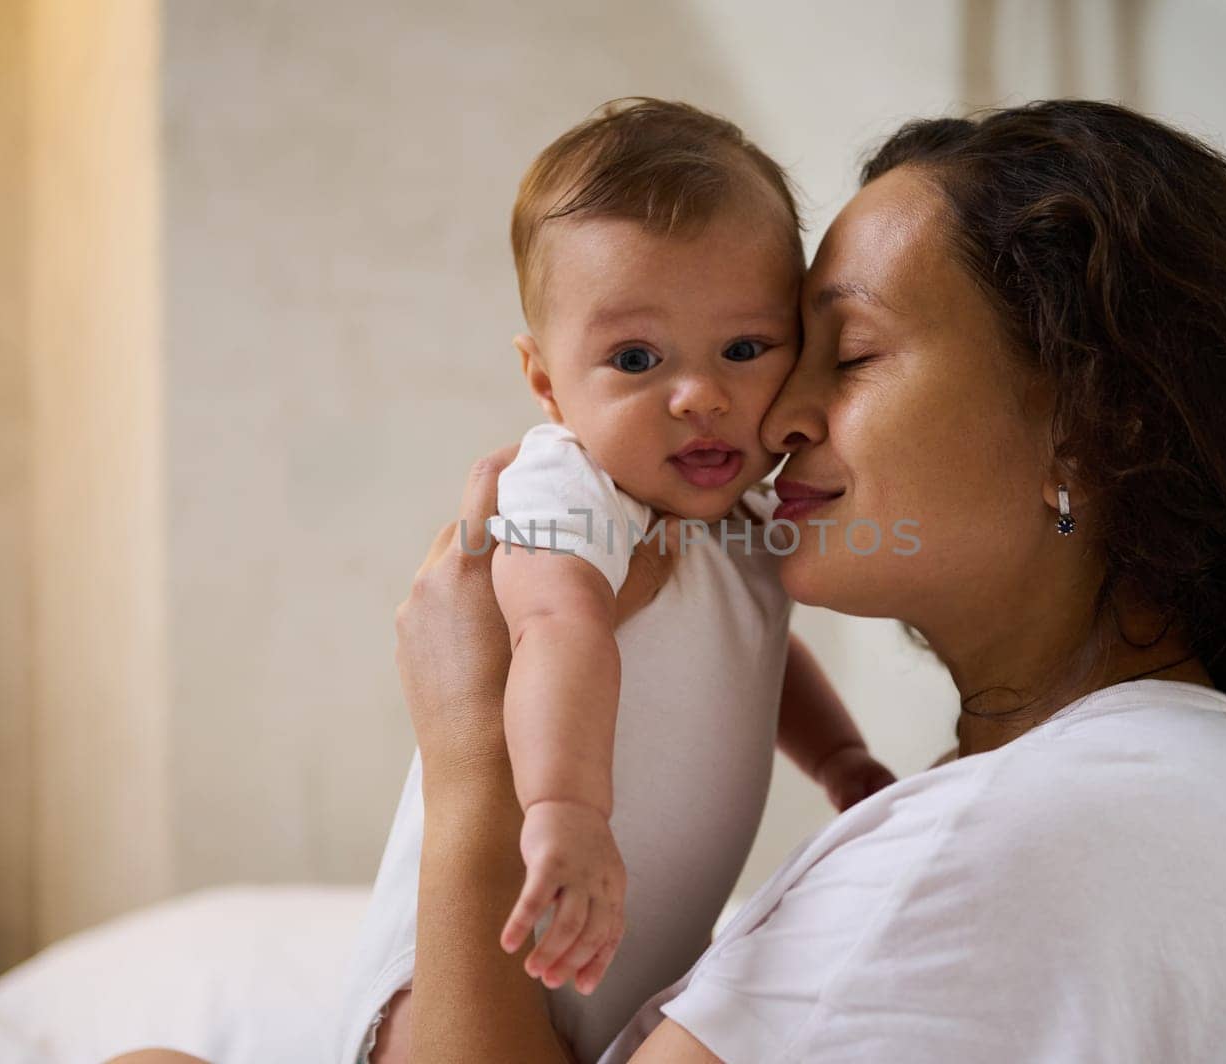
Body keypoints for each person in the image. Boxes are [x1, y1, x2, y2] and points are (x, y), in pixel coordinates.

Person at [111, 98, 1226, 1064]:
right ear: (546, 380)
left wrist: (468, 762)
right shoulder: (1184, 775)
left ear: (1084, 418)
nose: (767, 409)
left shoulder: (988, 850)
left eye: (834, 353)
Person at [337, 99, 894, 1064]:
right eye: (636, 359)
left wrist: (843, 760)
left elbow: (762, 654)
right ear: (548, 384)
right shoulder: (570, 485)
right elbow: (556, 629)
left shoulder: (748, 524)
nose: (701, 395)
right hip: (474, 959)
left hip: (610, 968)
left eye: (745, 348)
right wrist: (566, 809)